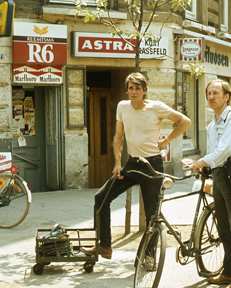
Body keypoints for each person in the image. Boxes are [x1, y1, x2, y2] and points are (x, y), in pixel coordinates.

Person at [81, 72, 191, 259]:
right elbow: (118, 137)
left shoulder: (157, 107)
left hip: (152, 165)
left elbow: (185, 121)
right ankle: (105, 246)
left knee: (151, 215)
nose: (134, 92)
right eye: (130, 88)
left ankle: (149, 257)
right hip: (132, 163)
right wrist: (117, 162)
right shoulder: (122, 107)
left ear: (144, 91)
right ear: (126, 91)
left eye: (138, 88)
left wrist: (166, 141)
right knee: (101, 198)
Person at [183, 80, 231, 288]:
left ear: (226, 96)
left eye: (215, 93)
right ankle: (228, 273)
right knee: (224, 229)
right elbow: (214, 152)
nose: (211, 97)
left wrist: (201, 161)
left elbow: (226, 149)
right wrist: (203, 166)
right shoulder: (212, 124)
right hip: (220, 175)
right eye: (208, 94)